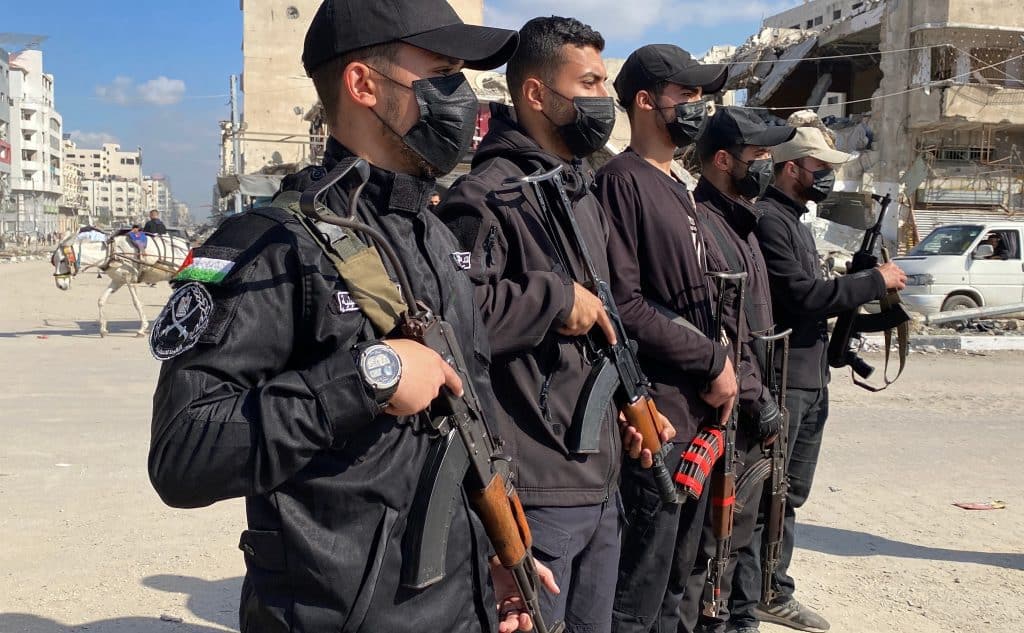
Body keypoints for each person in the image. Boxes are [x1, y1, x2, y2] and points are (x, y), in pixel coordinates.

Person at [146, 2, 559, 632]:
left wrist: (496, 553)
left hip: (459, 605)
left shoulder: (429, 231)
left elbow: (467, 420)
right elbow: (183, 453)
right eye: (442, 74)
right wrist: (368, 376)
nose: (463, 98)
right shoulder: (269, 245)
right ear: (364, 85)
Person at [438, 17, 670, 633]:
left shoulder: (577, 189)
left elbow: (607, 320)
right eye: (588, 82)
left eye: (605, 82)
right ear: (537, 94)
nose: (602, 98)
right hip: (536, 484)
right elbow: (456, 318)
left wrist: (631, 399)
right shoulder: (483, 197)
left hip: (596, 475)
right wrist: (551, 299)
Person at [728, 125, 907, 633]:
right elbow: (803, 296)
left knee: (790, 494)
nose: (826, 178)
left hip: (807, 376)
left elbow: (812, 293)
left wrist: (857, 276)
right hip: (783, 380)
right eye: (820, 169)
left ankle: (771, 591)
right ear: (791, 168)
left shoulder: (794, 221)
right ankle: (757, 599)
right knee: (768, 497)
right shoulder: (769, 221)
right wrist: (873, 281)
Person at [592, 44, 738, 633]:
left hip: (699, 411)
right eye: (687, 96)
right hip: (659, 422)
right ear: (647, 102)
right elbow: (623, 305)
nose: (699, 107)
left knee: (683, 580)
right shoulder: (621, 182)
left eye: (703, 96)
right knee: (640, 594)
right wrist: (711, 361)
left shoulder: (678, 186)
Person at [674, 106, 794, 633]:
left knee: (743, 539)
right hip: (724, 416)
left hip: (755, 416)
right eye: (759, 156)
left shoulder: (743, 223)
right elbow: (716, 330)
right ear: (723, 160)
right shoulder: (702, 225)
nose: (768, 164)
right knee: (707, 555)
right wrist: (753, 393)